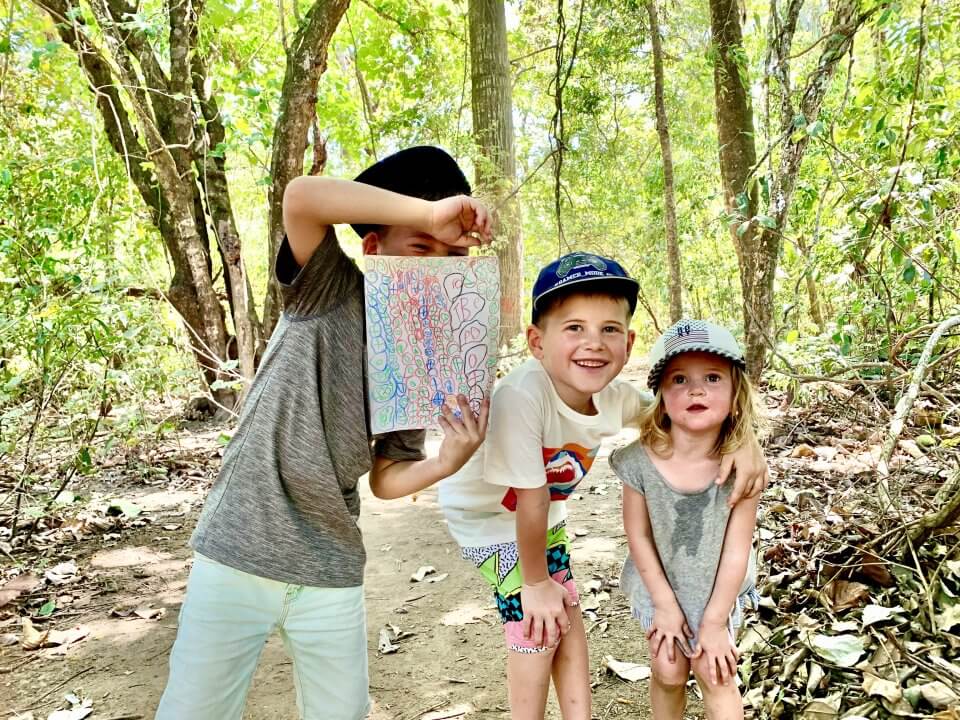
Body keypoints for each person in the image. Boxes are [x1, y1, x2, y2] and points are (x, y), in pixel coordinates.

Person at [156, 146, 492, 720]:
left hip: (331, 559)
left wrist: (448, 460)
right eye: (419, 247)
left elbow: (388, 478)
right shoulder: (329, 287)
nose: (434, 266)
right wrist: (431, 214)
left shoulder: (422, 356)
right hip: (242, 541)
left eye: (449, 256)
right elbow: (303, 199)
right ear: (373, 247)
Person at [439, 256, 768, 720]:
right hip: (490, 524)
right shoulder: (521, 396)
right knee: (537, 627)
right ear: (537, 341)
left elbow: (686, 410)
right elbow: (528, 500)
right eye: (574, 327)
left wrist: (747, 441)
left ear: (629, 342)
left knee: (566, 617)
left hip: (543, 521)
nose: (593, 343)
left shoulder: (615, 398)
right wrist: (534, 584)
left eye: (609, 329)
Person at [612, 319, 763, 720]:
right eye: (679, 379)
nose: (696, 389)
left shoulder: (743, 470)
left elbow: (737, 549)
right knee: (668, 669)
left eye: (713, 377)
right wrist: (664, 604)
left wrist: (714, 622)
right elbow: (638, 536)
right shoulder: (637, 462)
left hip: (718, 588)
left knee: (716, 674)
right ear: (660, 396)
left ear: (735, 395)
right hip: (660, 584)